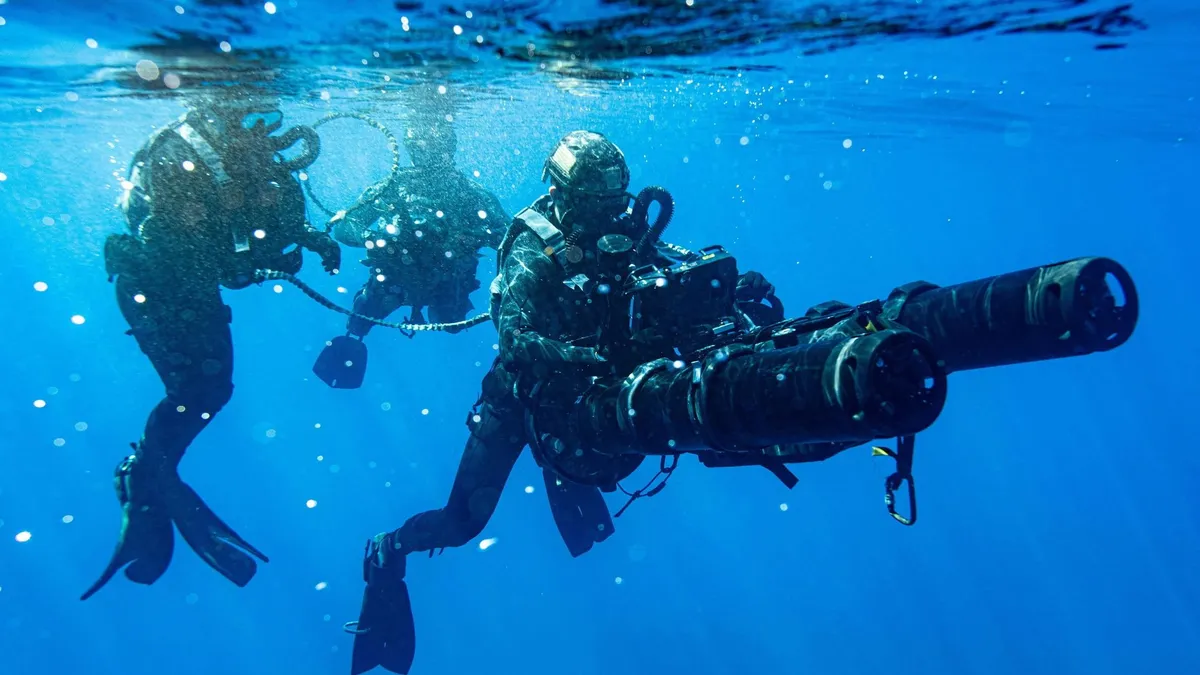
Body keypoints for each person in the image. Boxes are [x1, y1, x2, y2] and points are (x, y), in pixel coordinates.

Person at [343, 130, 781, 675]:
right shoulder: (533, 244)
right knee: (462, 523)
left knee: (637, 444)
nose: (608, 214)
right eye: (595, 202)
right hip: (520, 396)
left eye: (615, 201)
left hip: (588, 388)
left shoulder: (625, 224)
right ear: (562, 192)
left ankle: (565, 470)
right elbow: (516, 341)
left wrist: (726, 292)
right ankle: (387, 550)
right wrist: (595, 355)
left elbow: (666, 267)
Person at [81, 95, 341, 602]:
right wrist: (252, 258)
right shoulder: (176, 155)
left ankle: (152, 475)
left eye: (268, 119)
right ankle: (146, 476)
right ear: (218, 117)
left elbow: (256, 236)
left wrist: (309, 239)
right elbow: (189, 250)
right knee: (197, 391)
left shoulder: (247, 163)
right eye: (249, 119)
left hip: (190, 293)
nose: (261, 131)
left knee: (210, 391)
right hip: (156, 293)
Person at [312, 111, 509, 389]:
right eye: (419, 147)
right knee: (359, 322)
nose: (426, 155)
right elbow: (345, 226)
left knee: (449, 323)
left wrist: (474, 238)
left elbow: (508, 236)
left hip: (447, 280)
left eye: (433, 147)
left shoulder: (470, 194)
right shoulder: (394, 186)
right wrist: (373, 238)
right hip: (395, 277)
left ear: (448, 148)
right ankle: (351, 344)